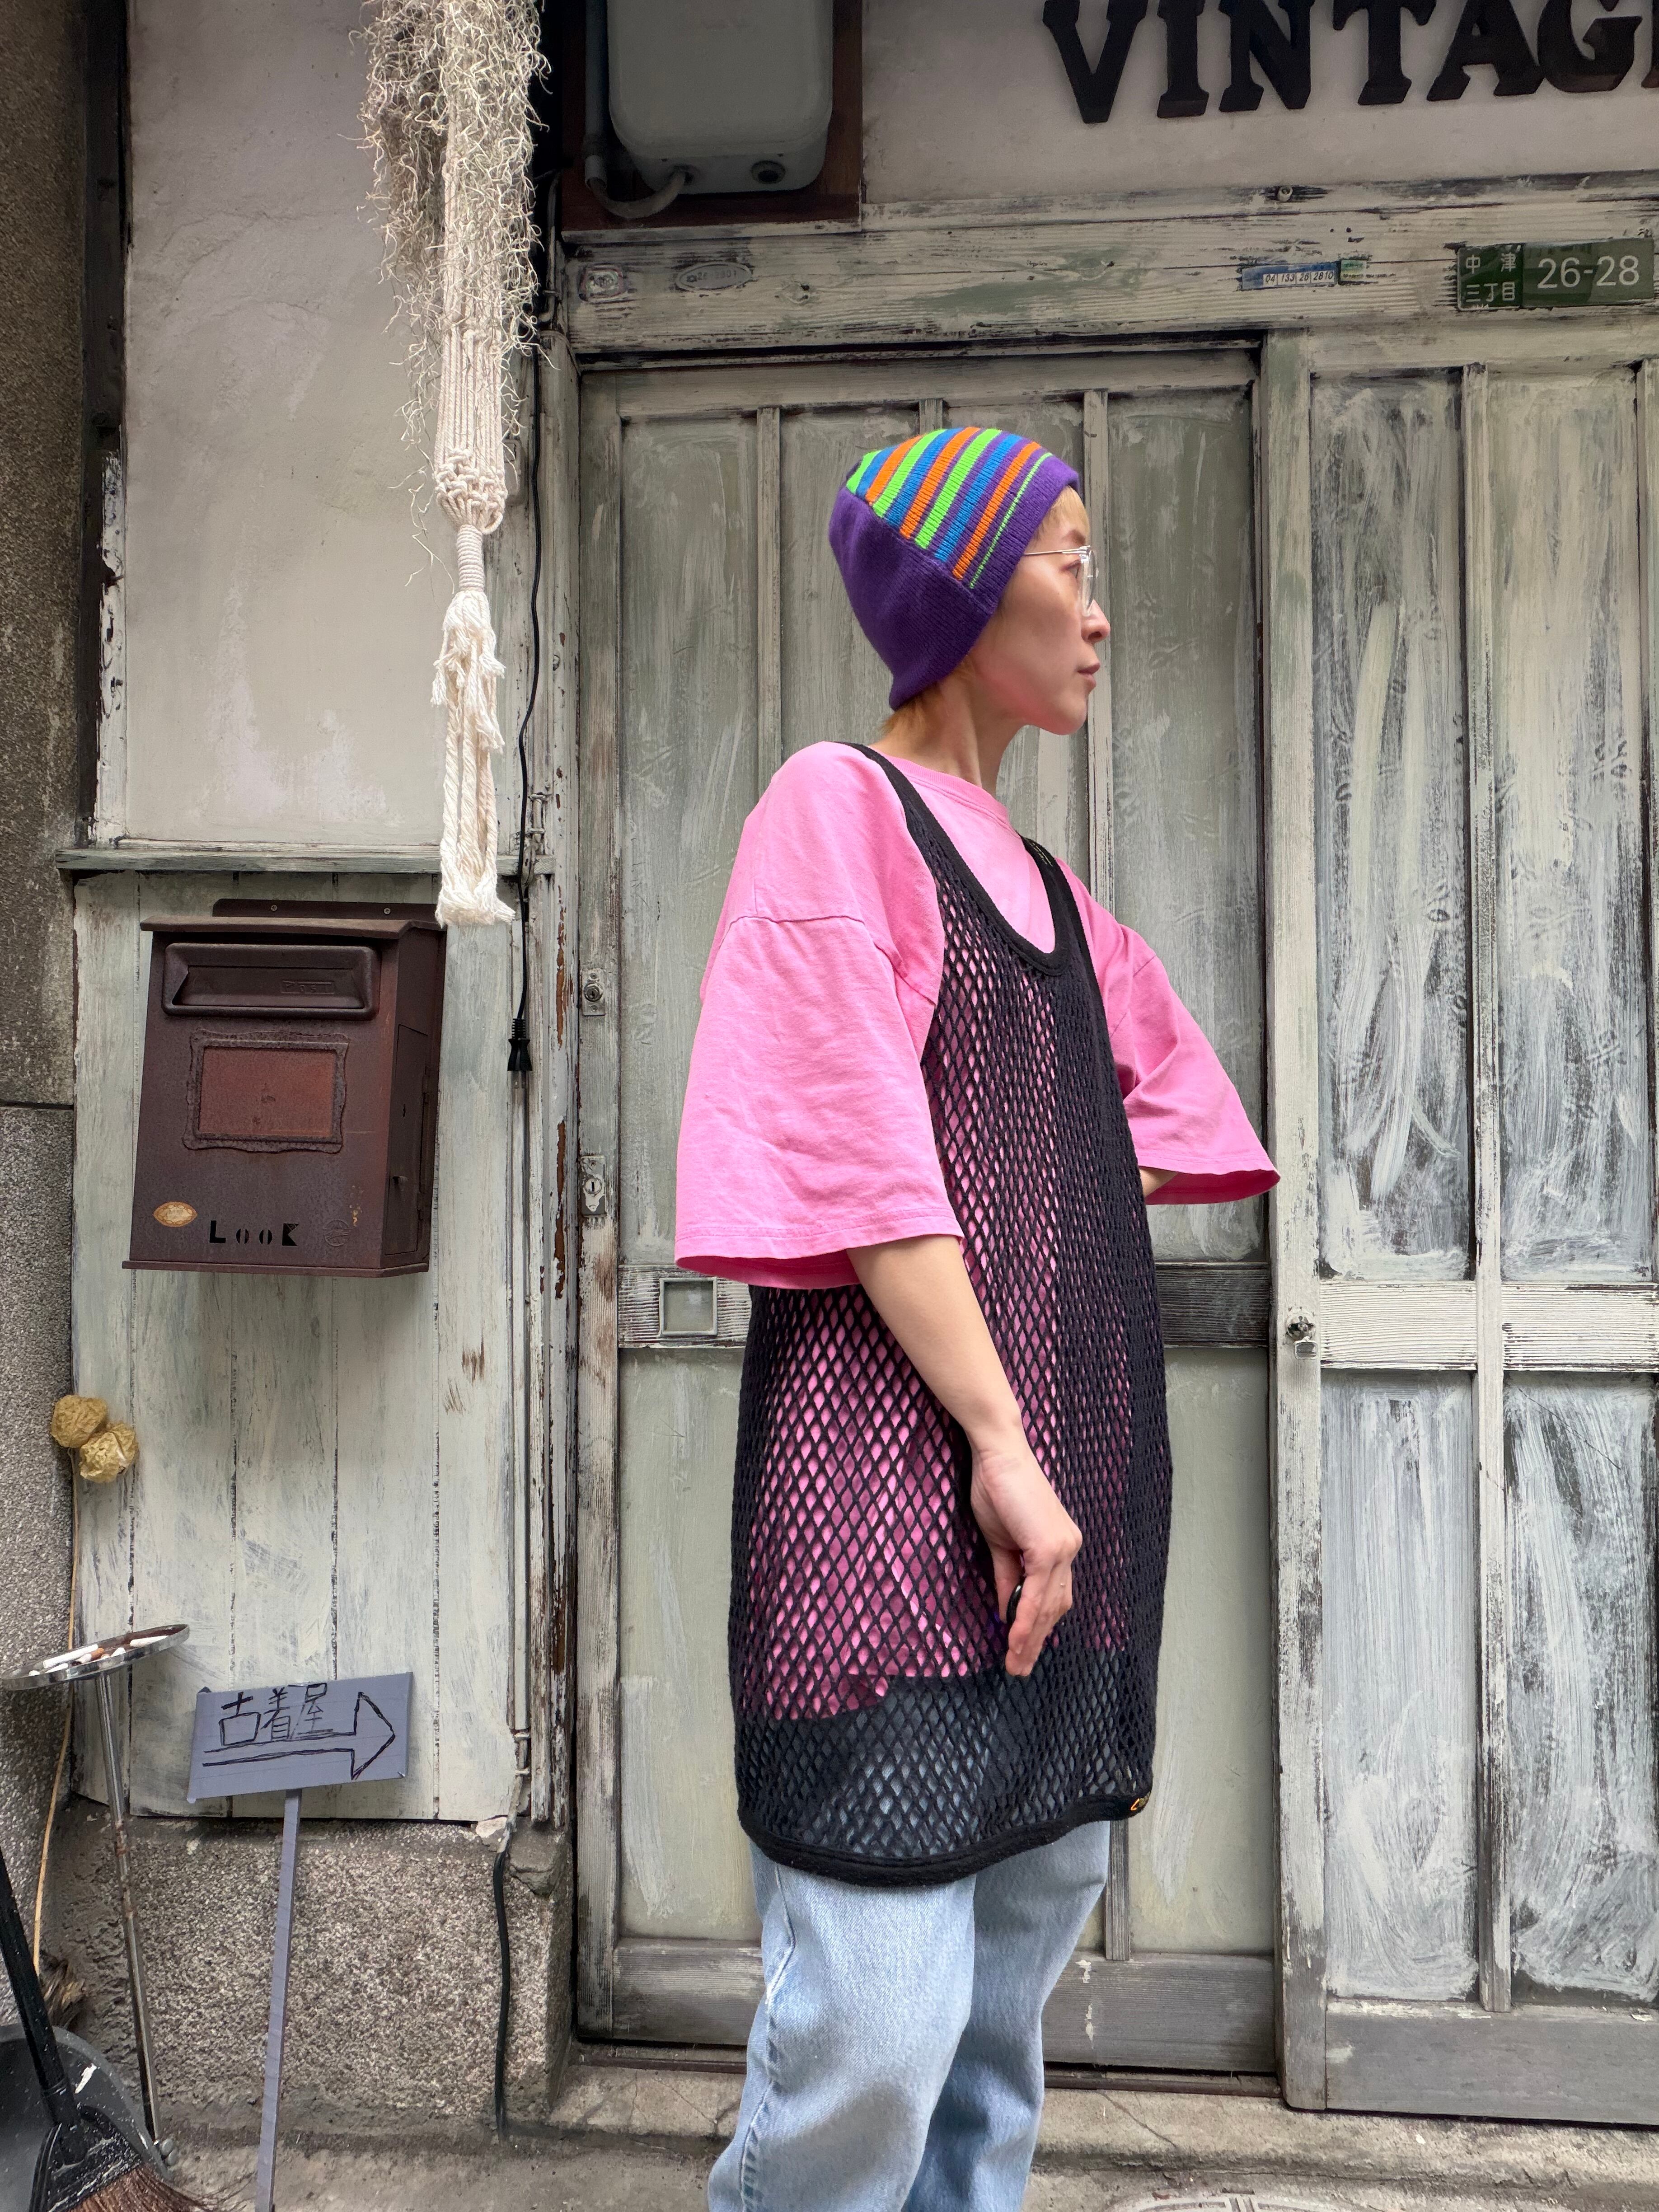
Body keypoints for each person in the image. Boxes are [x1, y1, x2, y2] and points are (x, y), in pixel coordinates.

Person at [675, 426, 1279, 2212]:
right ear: (958, 592)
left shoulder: (1054, 894)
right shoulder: (836, 809)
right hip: (889, 1511)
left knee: (993, 2054)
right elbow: (861, 1165)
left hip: (1067, 1524)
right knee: (871, 2037)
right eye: (1070, 565)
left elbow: (1163, 1120)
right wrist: (1001, 1439)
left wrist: (1046, 1408)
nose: (1099, 616)